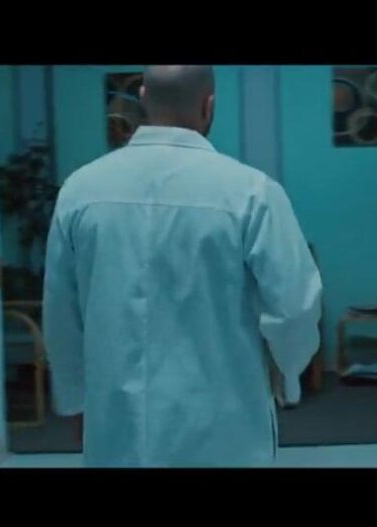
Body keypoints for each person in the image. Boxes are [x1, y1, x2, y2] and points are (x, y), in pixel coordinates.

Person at [42, 65, 322, 467]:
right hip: (226, 430)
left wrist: (74, 402)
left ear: (143, 98)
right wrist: (287, 375)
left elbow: (61, 315)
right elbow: (295, 307)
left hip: (117, 425)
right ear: (210, 106)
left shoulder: (80, 191)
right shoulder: (252, 193)